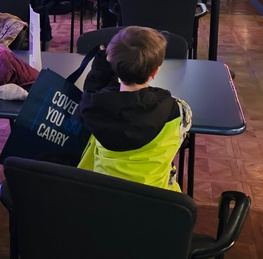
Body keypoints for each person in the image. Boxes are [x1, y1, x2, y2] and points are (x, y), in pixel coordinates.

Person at [76, 26, 192, 191]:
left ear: (113, 65)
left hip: (103, 200)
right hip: (155, 202)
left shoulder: (92, 109)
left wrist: (103, 61)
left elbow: (93, 91)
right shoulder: (176, 110)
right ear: (155, 71)